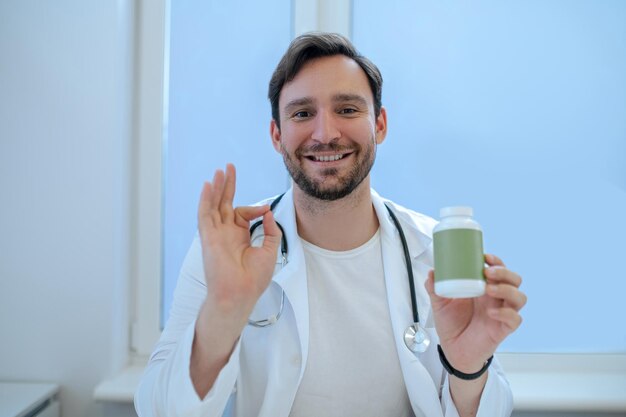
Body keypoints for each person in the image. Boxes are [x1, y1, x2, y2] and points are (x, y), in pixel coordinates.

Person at [135, 32, 527, 417]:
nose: (325, 134)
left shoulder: (436, 250)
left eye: (348, 109)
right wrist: (222, 312)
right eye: (303, 113)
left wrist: (469, 367)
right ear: (277, 135)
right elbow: (157, 409)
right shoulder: (230, 251)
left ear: (380, 125)